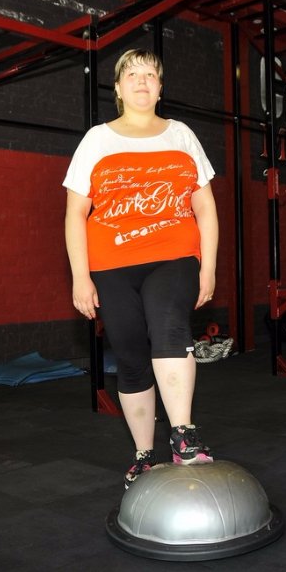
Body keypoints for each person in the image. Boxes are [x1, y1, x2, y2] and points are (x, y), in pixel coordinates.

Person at [63, 49, 219, 489]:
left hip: (174, 254)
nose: (142, 81)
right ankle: (143, 454)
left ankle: (183, 435)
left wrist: (208, 268)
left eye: (150, 74)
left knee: (170, 328)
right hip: (111, 264)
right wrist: (80, 277)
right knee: (131, 357)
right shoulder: (97, 140)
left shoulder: (181, 135)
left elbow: (205, 208)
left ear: (160, 87)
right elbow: (75, 213)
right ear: (118, 88)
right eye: (132, 74)